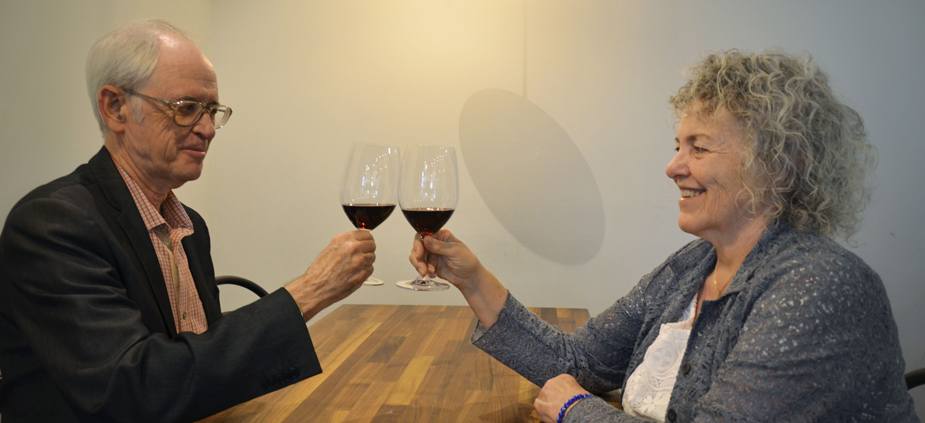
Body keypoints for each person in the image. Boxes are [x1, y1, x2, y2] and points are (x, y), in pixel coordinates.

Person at [410, 50, 918, 422]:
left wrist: (576, 412)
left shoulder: (820, 285)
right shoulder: (693, 265)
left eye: (698, 147)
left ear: (780, 166)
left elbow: (574, 392)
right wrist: (471, 279)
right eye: (678, 145)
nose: (673, 167)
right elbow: (577, 363)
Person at [0, 19, 376, 422]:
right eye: (186, 109)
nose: (208, 129)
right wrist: (308, 292)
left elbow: (195, 364)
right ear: (115, 107)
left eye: (212, 110)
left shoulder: (189, 225)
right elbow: (131, 391)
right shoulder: (52, 224)